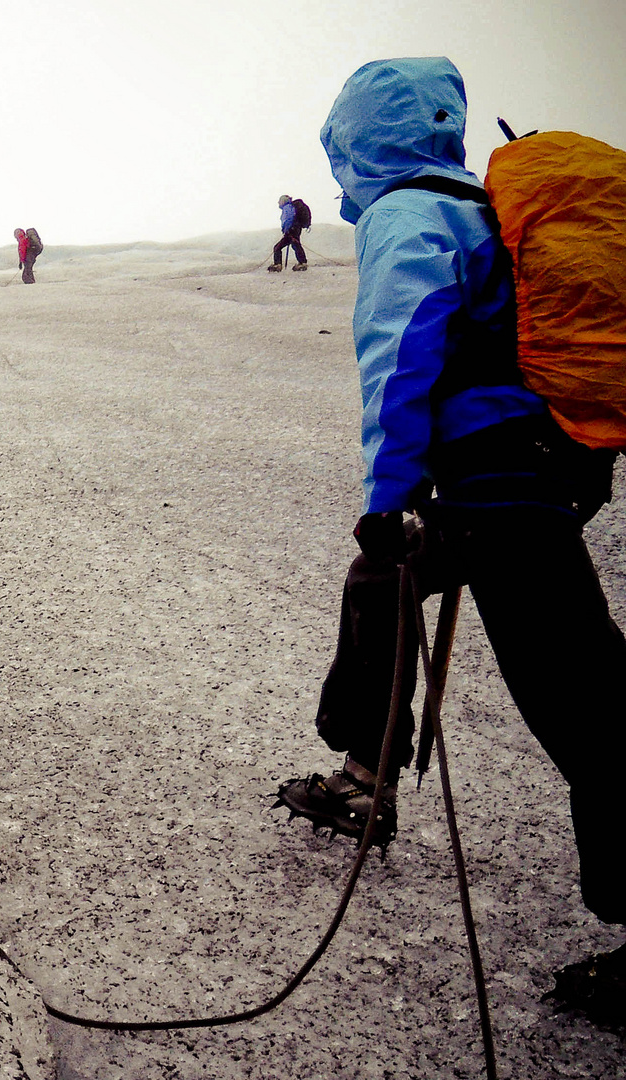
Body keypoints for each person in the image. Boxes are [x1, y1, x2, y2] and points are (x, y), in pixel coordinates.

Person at [274, 56, 625, 1025]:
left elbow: (401, 347)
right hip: (544, 468)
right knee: (379, 586)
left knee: (584, 705)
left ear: (354, 139)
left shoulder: (404, 214)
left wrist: (386, 496)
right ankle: (364, 777)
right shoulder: (483, 201)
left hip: (497, 480)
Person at [269, 196, 308, 271]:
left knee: (278, 247)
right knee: (296, 245)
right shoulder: (291, 207)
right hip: (295, 229)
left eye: (279, 201)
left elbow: (288, 219)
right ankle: (302, 262)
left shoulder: (287, 208)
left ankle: (278, 264)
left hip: (291, 230)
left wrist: (286, 230)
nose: (278, 203)